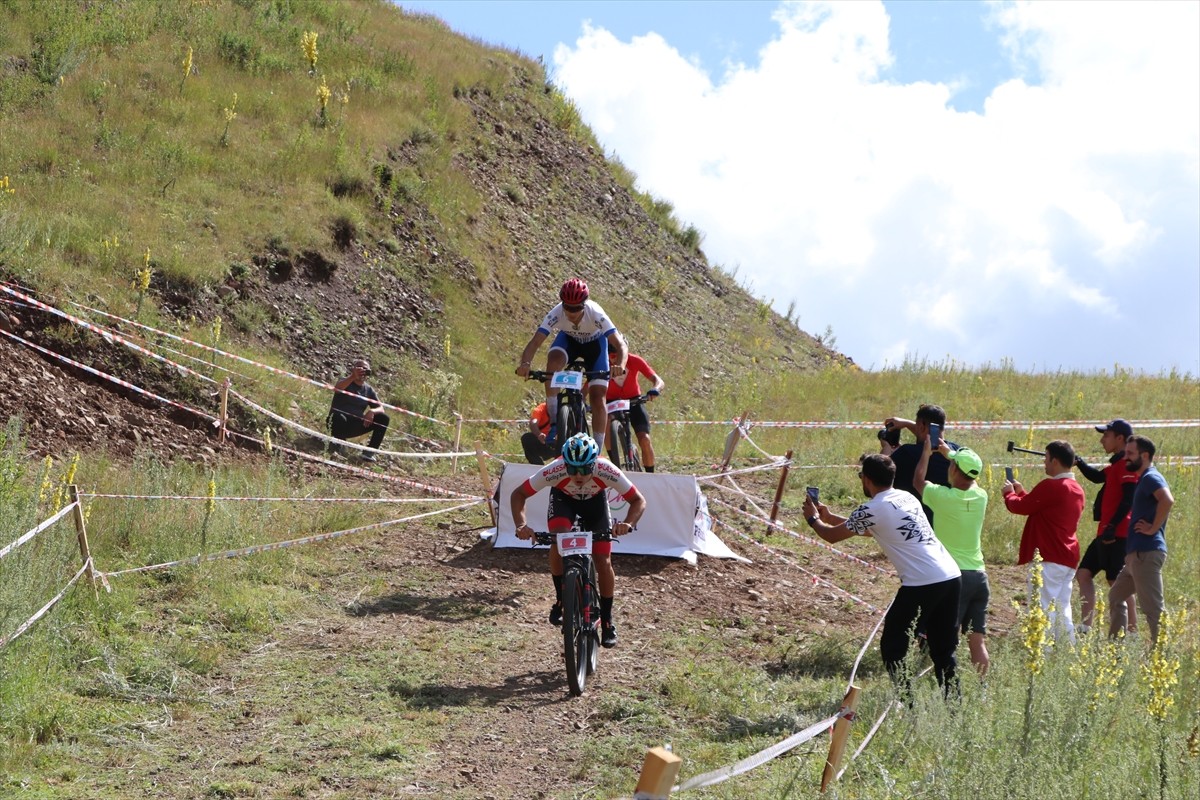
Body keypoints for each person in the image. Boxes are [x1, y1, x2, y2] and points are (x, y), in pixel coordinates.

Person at [803, 454, 961, 701]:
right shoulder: (906, 496)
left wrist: (813, 519)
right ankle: (954, 706)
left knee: (892, 649)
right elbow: (878, 529)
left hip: (921, 582)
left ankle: (908, 706)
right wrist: (831, 517)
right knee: (943, 650)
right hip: (950, 575)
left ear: (866, 479)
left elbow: (831, 537)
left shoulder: (872, 508)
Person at [511, 433, 646, 649]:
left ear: (594, 464)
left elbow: (638, 500)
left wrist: (628, 523)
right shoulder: (554, 469)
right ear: (565, 464)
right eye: (572, 469)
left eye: (584, 469)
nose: (578, 475)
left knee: (603, 560)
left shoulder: (606, 469)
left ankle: (608, 621)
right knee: (559, 540)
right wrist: (520, 525)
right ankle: (561, 599)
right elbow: (519, 494)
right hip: (564, 501)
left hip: (595, 504)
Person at [515, 278, 628, 456]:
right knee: (552, 365)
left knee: (598, 397)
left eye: (576, 308)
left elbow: (621, 345)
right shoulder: (556, 312)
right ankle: (555, 422)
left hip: (595, 346)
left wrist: (620, 364)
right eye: (567, 307)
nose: (571, 312)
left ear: (584, 304)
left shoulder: (596, 313)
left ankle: (596, 451)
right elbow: (535, 342)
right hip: (569, 341)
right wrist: (525, 364)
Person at [915, 440, 991, 676]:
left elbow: (918, 481)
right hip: (979, 576)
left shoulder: (942, 496)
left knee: (942, 636)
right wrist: (952, 456)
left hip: (953, 576)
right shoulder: (981, 496)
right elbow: (972, 477)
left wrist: (927, 453)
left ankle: (929, 679)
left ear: (954, 470)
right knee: (976, 640)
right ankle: (983, 689)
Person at [1003, 440, 1084, 643]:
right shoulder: (1076, 489)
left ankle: (1043, 653)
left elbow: (1020, 507)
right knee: (1062, 607)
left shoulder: (1051, 486)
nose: (1044, 464)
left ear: (1055, 461)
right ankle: (1067, 652)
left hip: (1048, 556)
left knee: (1042, 606)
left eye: (1046, 459)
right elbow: (1043, 508)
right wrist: (1022, 493)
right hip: (1068, 556)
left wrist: (1009, 495)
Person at [1074, 419, 1138, 634]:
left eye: (1106, 436)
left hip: (1117, 534)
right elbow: (1097, 477)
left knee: (1116, 581)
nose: (1102, 440)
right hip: (1106, 531)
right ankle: (1085, 627)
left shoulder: (1127, 465)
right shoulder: (1114, 466)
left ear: (1120, 438)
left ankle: (1131, 631)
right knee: (1083, 573)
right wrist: (1079, 462)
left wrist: (1112, 525)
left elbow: (1129, 499)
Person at [1108, 435, 1173, 646]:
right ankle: (1115, 650)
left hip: (1146, 554)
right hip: (1135, 558)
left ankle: (1161, 659)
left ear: (1144, 456)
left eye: (1130, 454)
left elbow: (1167, 499)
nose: (1125, 457)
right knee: (1116, 597)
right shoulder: (1143, 479)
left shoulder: (1151, 477)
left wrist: (1153, 528)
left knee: (1153, 609)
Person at [882, 404, 956, 523]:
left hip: (913, 526)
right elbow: (930, 438)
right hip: (948, 523)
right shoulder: (957, 453)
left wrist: (886, 447)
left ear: (921, 426)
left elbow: (878, 474)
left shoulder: (906, 453)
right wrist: (907, 424)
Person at [605, 352, 664, 472]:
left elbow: (658, 380)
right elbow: (589, 385)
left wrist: (655, 389)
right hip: (612, 402)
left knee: (645, 439)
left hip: (634, 401)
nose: (613, 357)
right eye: (610, 354)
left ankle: (650, 475)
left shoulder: (634, 360)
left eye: (616, 353)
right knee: (606, 423)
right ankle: (614, 464)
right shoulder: (603, 363)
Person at [328, 358, 389, 461]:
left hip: (356, 424)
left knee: (383, 418)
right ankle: (337, 448)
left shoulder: (368, 390)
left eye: (365, 369)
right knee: (339, 417)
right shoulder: (345, 381)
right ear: (353, 369)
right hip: (337, 422)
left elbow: (381, 408)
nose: (362, 371)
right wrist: (353, 376)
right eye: (359, 368)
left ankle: (369, 453)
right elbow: (337, 389)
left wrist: (372, 411)